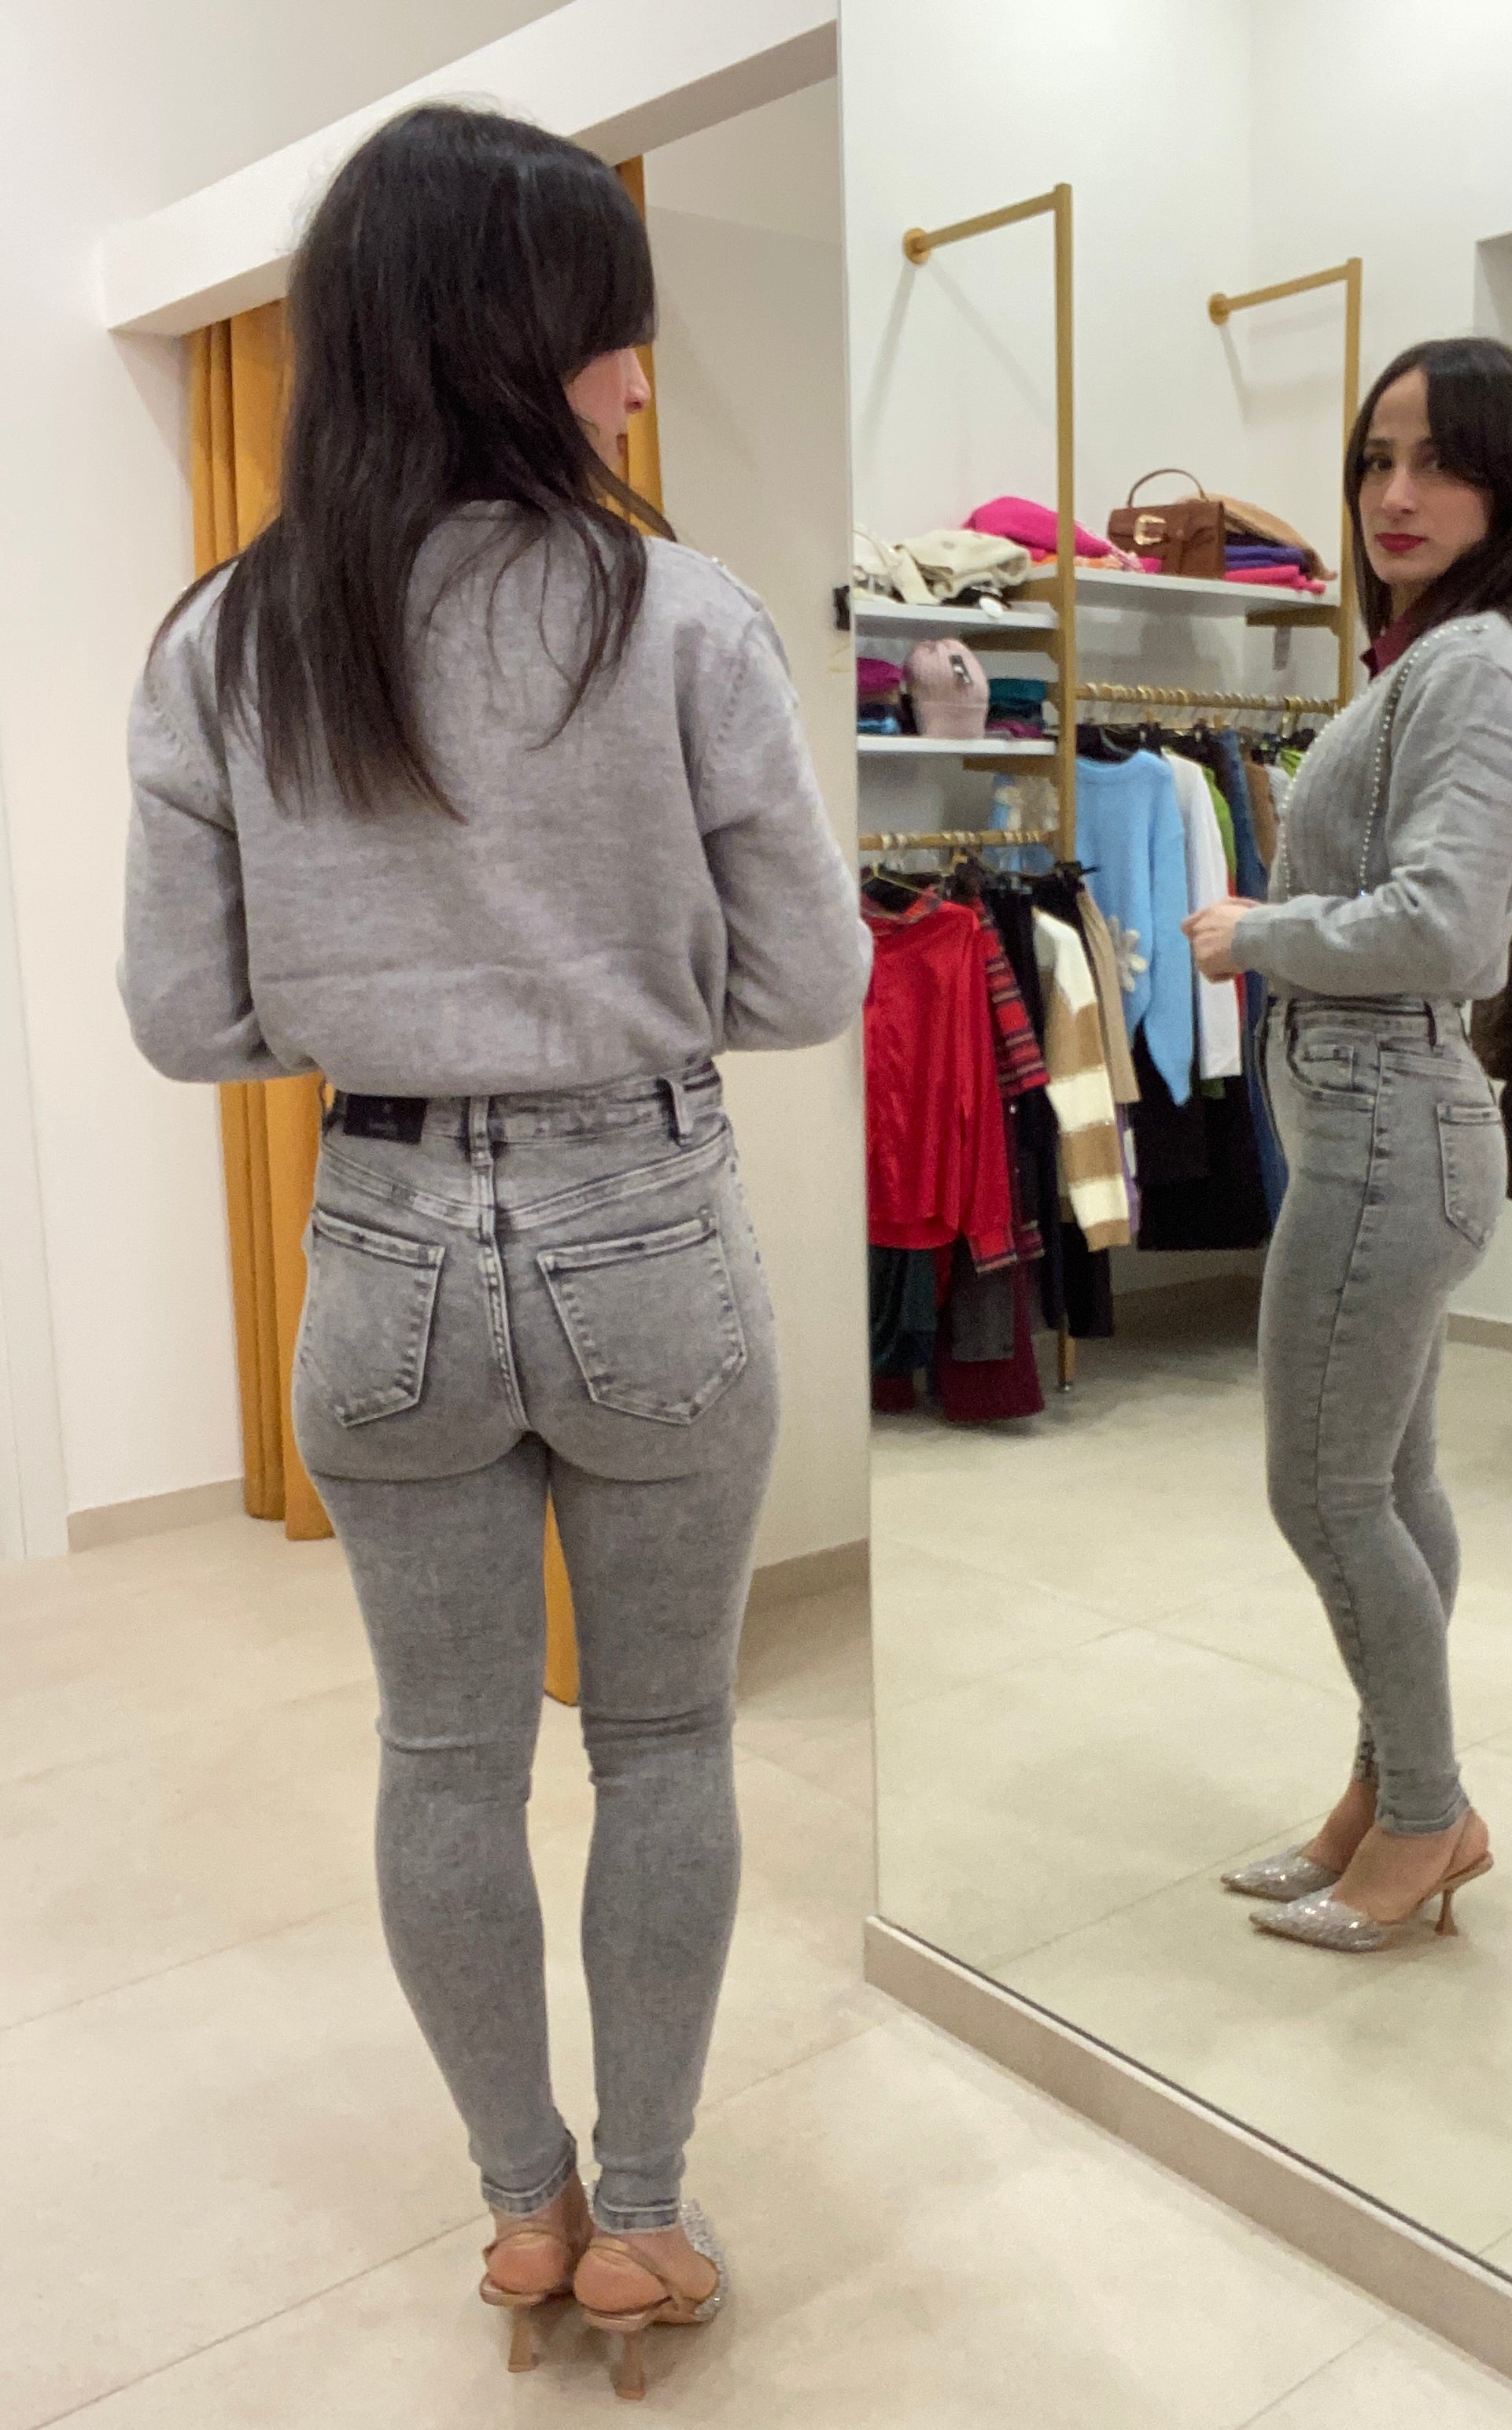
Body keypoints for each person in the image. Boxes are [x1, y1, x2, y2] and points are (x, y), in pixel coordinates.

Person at [120, 104, 870, 2381]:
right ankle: (644, 2217)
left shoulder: (228, 638)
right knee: (662, 1741)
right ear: (503, 334)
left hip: (378, 1240)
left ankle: (521, 2205)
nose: (638, 381)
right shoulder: (679, 613)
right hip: (647, 1221)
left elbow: (187, 1019)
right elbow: (808, 980)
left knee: (442, 1759)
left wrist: (395, 1007)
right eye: (609, 335)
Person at [1184, 337, 1512, 1955]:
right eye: (1375, 459)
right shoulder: (1431, 655)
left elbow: (1449, 923)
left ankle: (1426, 1814)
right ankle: (1384, 1791)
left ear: (1510, 485)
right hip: (1386, 1123)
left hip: (1386, 1130)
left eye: (1441, 460)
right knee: (1390, 1485)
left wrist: (1256, 930)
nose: (1396, 493)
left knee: (1325, 1491)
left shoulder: (1475, 666)